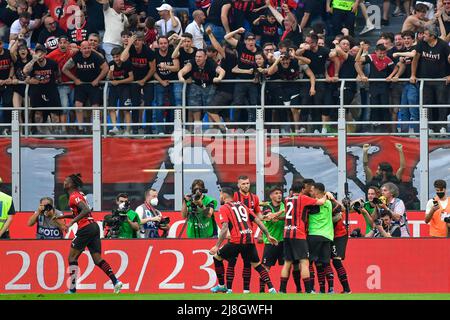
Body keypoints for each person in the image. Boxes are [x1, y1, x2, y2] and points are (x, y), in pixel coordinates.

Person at [55, 173, 123, 294]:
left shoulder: (73, 196)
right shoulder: (79, 195)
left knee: (72, 257)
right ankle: (116, 281)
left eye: (66, 181)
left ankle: (72, 289)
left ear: (71, 184)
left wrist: (71, 223)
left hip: (85, 228)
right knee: (97, 259)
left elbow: (86, 210)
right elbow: (80, 212)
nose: (64, 182)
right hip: (93, 227)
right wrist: (62, 216)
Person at [209, 187, 278, 294]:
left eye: (220, 195)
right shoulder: (243, 205)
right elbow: (258, 221)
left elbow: (224, 228)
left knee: (217, 257)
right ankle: (272, 289)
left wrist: (217, 246)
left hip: (236, 241)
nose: (220, 197)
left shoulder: (224, 208)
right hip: (249, 240)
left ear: (223, 195)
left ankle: (222, 286)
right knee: (257, 265)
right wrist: (268, 235)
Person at [269, 181, 330, 293]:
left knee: (287, 263)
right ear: (302, 190)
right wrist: (327, 195)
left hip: (287, 234)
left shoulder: (287, 200)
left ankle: (282, 290)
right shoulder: (302, 198)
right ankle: (308, 290)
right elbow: (321, 202)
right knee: (304, 262)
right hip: (298, 234)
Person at [62, 40, 109, 133]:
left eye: (88, 48)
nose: (87, 50)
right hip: (81, 84)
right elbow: (64, 69)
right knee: (78, 105)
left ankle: (95, 128)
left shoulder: (95, 56)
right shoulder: (77, 56)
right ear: (80, 49)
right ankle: (80, 127)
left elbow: (106, 68)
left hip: (94, 85)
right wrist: (75, 79)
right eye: (84, 48)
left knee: (95, 106)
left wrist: (98, 79)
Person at [410, 25, 450, 133]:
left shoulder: (443, 45)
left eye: (426, 34)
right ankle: (429, 127)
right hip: (425, 80)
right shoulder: (421, 44)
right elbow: (415, 60)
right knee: (427, 104)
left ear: (432, 36)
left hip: (440, 80)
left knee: (442, 102)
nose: (423, 36)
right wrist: (413, 74)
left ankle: (442, 127)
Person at [178, 49, 225, 133]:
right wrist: (181, 78)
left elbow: (222, 71)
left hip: (210, 86)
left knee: (210, 109)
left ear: (205, 57)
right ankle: (197, 131)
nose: (197, 59)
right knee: (195, 109)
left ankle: (217, 130)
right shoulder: (192, 63)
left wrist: (219, 78)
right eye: (196, 56)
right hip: (196, 86)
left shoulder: (210, 63)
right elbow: (181, 71)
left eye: (200, 57)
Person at [120, 32, 156, 134]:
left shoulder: (148, 51)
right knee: (135, 104)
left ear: (142, 41)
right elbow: (122, 58)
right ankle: (135, 129)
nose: (136, 42)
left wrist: (144, 80)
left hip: (148, 80)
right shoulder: (131, 48)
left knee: (148, 104)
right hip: (135, 80)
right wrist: (129, 45)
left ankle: (148, 130)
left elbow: (153, 69)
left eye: (138, 40)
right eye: (135, 40)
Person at [23, 44, 62, 133]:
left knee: (54, 113)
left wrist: (59, 80)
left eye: (41, 53)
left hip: (51, 90)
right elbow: (25, 71)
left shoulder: (52, 63)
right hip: (37, 90)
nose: (39, 55)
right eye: (37, 53)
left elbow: (58, 74)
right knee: (38, 113)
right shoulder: (32, 63)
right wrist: (33, 59)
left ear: (45, 53)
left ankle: (57, 133)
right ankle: (39, 133)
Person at [307, 183, 335, 294]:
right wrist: (329, 194)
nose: (310, 192)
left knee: (309, 263)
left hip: (315, 235)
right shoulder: (329, 202)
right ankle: (330, 289)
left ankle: (312, 288)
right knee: (325, 263)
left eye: (312, 190)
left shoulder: (313, 203)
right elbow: (340, 209)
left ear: (318, 192)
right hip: (327, 236)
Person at [46, 35, 78, 132]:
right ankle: (64, 130)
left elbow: (84, 48)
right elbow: (43, 61)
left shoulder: (73, 51)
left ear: (68, 43)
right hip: (62, 85)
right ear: (58, 44)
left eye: (65, 42)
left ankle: (72, 127)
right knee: (64, 107)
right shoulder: (52, 54)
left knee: (74, 107)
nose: (63, 45)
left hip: (74, 84)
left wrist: (76, 48)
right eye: (60, 43)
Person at [258, 186, 286, 293]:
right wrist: (281, 213)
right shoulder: (267, 206)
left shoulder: (285, 205)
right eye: (276, 193)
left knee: (287, 266)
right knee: (265, 267)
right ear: (271, 196)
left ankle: (283, 290)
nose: (279, 195)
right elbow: (268, 217)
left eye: (280, 193)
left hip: (283, 241)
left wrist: (277, 216)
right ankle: (261, 291)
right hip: (270, 242)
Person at [153, 36, 181, 134]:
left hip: (173, 81)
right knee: (160, 105)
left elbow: (177, 67)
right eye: (161, 43)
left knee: (174, 105)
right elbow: (153, 71)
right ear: (158, 44)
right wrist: (161, 81)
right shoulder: (155, 53)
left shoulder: (172, 51)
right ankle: (160, 130)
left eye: (165, 43)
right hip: (160, 82)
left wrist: (165, 66)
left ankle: (173, 129)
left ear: (168, 43)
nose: (163, 45)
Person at [108, 46, 133, 135]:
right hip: (114, 88)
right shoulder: (111, 63)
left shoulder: (127, 63)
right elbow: (109, 78)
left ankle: (128, 130)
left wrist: (118, 82)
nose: (116, 59)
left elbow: (131, 78)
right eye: (114, 57)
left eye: (117, 56)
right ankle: (114, 127)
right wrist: (111, 72)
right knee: (111, 108)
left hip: (125, 88)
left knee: (126, 109)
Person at [330, 199, 352, 293]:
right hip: (330, 236)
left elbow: (342, 209)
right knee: (324, 262)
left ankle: (347, 289)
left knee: (336, 261)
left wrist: (333, 199)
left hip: (340, 235)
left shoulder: (331, 204)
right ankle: (329, 289)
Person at [0, 38, 14, 134]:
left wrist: (10, 77)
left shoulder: (8, 53)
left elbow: (12, 66)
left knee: (8, 104)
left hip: (7, 83)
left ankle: (7, 128)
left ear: (1, 44)